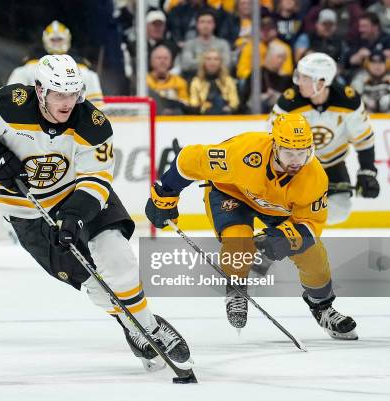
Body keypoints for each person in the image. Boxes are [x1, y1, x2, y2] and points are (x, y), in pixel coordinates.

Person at [0, 54, 191, 371]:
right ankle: (132, 324)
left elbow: (96, 180)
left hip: (76, 194)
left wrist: (74, 215)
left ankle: (151, 328)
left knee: (117, 255)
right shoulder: (10, 102)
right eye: (59, 93)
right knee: (93, 283)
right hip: (26, 210)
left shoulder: (93, 124)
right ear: (40, 90)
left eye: (73, 93)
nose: (67, 102)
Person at [145, 113, 358, 340]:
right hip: (231, 192)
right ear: (275, 146)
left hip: (278, 210)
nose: (296, 161)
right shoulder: (243, 152)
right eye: (288, 152)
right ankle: (236, 289)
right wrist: (165, 195)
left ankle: (322, 307)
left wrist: (283, 239)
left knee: (312, 256)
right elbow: (188, 159)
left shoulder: (314, 177)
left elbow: (311, 223)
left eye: (302, 153)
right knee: (238, 241)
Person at [270, 53, 379, 225]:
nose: (299, 82)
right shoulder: (288, 102)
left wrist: (367, 171)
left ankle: (308, 232)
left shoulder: (348, 101)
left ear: (321, 81)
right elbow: (272, 140)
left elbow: (363, 139)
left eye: (305, 78)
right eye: (299, 76)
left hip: (332, 164)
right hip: (297, 166)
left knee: (340, 211)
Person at [7, 20, 105, 109]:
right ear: (46, 40)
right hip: (35, 121)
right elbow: (12, 103)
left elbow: (96, 108)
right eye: (53, 40)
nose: (57, 44)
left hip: (75, 122)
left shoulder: (87, 73)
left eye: (59, 39)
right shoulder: (24, 71)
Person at [178, 9, 231, 78]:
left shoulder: (223, 44)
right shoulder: (189, 44)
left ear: (214, 25)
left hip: (219, 79)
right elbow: (186, 64)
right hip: (194, 79)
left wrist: (201, 62)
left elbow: (227, 63)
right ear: (197, 25)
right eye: (202, 22)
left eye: (209, 22)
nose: (205, 25)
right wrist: (213, 63)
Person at [188, 48, 240, 115]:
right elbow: (194, 102)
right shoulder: (196, 81)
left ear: (220, 62)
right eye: (208, 59)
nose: (212, 62)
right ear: (203, 62)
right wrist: (203, 107)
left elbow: (234, 101)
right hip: (204, 114)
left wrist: (229, 108)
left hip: (225, 113)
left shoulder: (228, 80)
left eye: (216, 59)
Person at [146, 44, 190, 114]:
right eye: (159, 58)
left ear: (171, 62)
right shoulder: (144, 82)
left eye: (166, 58)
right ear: (151, 61)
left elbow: (184, 104)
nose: (162, 61)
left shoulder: (180, 82)